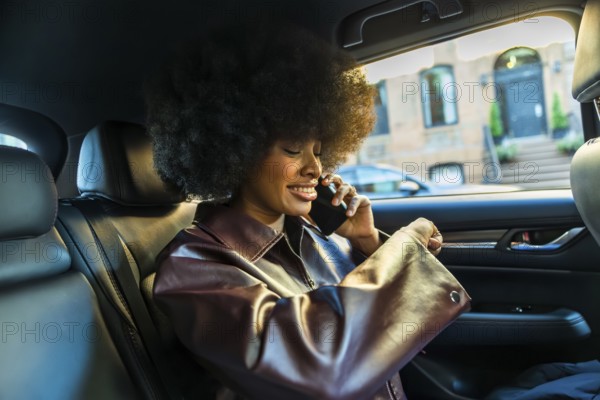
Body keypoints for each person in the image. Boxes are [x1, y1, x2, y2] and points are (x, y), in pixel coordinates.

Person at [147, 21, 470, 400]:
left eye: (317, 150)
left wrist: (368, 243)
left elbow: (392, 344)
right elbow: (321, 371)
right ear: (238, 148)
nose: (315, 168)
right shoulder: (193, 268)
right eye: (292, 149)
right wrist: (406, 248)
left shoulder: (318, 234)